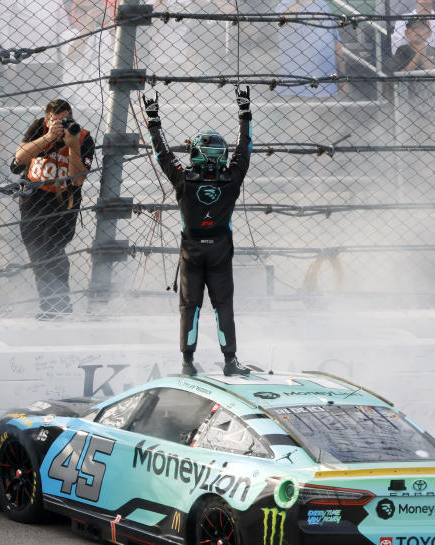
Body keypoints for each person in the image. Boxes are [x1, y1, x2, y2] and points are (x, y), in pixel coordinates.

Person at [144, 88, 253, 377]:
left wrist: (153, 119)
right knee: (223, 306)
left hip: (191, 252)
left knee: (189, 307)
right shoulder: (232, 178)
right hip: (220, 252)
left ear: (195, 154)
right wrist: (245, 113)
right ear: (221, 156)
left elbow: (161, 153)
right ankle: (230, 362)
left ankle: (187, 364)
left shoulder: (183, 178)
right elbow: (245, 149)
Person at [11, 99, 95, 318]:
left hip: (63, 200)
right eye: (54, 121)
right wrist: (48, 137)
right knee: (36, 249)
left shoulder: (82, 136)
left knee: (53, 248)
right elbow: (18, 159)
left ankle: (59, 305)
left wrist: (73, 146)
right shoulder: (39, 127)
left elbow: (77, 180)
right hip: (34, 198)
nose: (60, 125)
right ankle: (50, 305)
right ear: (47, 119)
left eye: (64, 120)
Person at [274, 0, 345, 98]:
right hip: (295, 87)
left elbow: (336, 43)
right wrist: (300, 2)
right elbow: (283, 21)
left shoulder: (323, 5)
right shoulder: (285, 4)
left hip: (327, 85)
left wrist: (342, 75)